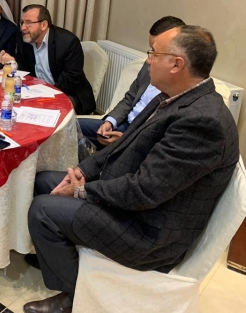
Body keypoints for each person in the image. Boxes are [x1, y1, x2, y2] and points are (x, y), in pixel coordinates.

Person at [23, 25, 239, 313]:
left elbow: (144, 191)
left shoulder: (202, 122)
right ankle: (58, 253)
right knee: (42, 181)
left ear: (177, 64)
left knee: (43, 210)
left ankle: (74, 297)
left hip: (148, 232)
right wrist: (84, 170)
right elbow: (122, 145)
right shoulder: (171, 97)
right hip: (131, 202)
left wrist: (82, 191)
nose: (148, 60)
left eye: (154, 54)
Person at [78, 16, 185, 149]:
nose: (148, 60)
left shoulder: (181, 89)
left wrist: (125, 141)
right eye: (151, 50)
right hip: (123, 124)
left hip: (138, 139)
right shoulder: (148, 66)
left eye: (156, 53)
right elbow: (130, 98)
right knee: (67, 128)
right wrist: (110, 122)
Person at [0, 4, 95, 115]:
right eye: (22, 22)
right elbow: (24, 70)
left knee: (42, 112)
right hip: (35, 92)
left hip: (68, 93)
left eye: (29, 23)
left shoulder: (68, 42)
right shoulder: (24, 39)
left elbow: (71, 79)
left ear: (44, 25)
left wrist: (44, 95)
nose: (23, 28)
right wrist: (13, 63)